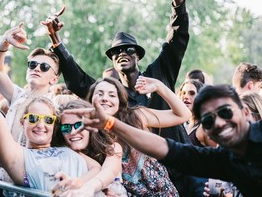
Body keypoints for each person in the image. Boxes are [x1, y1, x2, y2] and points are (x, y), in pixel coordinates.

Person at [42, 0, 191, 193]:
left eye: (128, 49)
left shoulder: (158, 74)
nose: (122, 53)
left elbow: (178, 37)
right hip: (133, 185)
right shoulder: (111, 97)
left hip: (177, 168)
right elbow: (78, 80)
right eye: (116, 52)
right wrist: (55, 40)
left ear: (138, 55)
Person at [73, 84, 261, 196]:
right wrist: (109, 124)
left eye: (225, 112)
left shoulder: (138, 115)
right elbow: (167, 149)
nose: (219, 123)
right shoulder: (221, 160)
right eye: (209, 120)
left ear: (245, 112)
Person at [0, 69, 101, 192]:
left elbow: (96, 168)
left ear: (54, 125)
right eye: (33, 118)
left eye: (48, 120)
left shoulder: (67, 150)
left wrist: (79, 183)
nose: (41, 125)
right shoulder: (19, 156)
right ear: (23, 123)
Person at [80, 76, 190, 196]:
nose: (105, 98)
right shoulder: (88, 132)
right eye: (99, 94)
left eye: (111, 95)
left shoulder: (137, 117)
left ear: (120, 101)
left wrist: (159, 86)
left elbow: (183, 115)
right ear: (90, 99)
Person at [51, 99, 125, 197]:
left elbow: (109, 171)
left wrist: (84, 185)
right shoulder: (60, 152)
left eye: (79, 125)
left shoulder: (112, 148)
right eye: (66, 127)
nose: (73, 132)